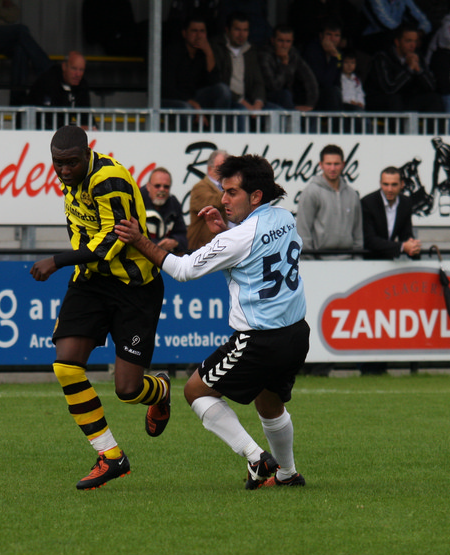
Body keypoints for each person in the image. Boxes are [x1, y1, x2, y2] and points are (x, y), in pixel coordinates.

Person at [114, 154, 309, 490]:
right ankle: (288, 474)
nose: (223, 199)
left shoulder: (237, 238)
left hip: (259, 339)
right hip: (296, 334)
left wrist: (139, 239)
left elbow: (182, 270)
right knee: (269, 402)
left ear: (255, 196)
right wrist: (228, 230)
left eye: (232, 192)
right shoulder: (284, 218)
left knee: (195, 391)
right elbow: (254, 244)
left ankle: (256, 457)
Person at [29, 125, 171, 491]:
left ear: (86, 153)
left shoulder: (109, 179)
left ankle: (160, 391)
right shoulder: (72, 179)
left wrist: (57, 261)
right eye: (58, 163)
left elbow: (112, 242)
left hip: (135, 287)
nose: (64, 170)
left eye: (71, 163)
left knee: (128, 389)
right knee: (65, 364)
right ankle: (111, 456)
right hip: (91, 281)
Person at [297, 144, 363, 259]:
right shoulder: (311, 192)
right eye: (328, 164)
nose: (332, 168)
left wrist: (357, 259)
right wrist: (310, 261)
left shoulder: (352, 195)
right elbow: (303, 231)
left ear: (343, 164)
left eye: (336, 164)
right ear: (321, 165)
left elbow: (357, 233)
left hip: (348, 261)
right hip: (319, 260)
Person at [365, 24, 444, 113]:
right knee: (395, 99)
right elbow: (389, 89)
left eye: (415, 41)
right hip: (382, 102)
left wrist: (419, 71)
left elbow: (432, 87)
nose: (412, 45)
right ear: (397, 42)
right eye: (408, 41)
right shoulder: (382, 58)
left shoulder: (417, 57)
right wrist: (409, 69)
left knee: (434, 98)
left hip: (405, 101)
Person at [160, 15, 231, 112]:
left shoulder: (204, 53)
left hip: (195, 98)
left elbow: (214, 82)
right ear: (184, 33)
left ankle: (217, 123)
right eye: (194, 31)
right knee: (186, 108)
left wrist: (209, 53)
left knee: (223, 90)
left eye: (202, 31)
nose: (198, 36)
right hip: (173, 99)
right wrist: (190, 102)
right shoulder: (172, 52)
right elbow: (167, 88)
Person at [362, 166, 421, 260]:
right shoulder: (368, 202)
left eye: (394, 185)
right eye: (386, 184)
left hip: (390, 260)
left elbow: (406, 233)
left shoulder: (405, 202)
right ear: (380, 184)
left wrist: (413, 245)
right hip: (369, 260)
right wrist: (402, 246)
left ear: (402, 184)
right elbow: (369, 240)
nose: (389, 189)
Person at [212, 11, 267, 112]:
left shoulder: (251, 50)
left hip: (248, 100)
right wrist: (243, 102)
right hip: (230, 101)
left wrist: (258, 103)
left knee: (275, 110)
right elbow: (218, 81)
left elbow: (258, 82)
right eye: (237, 29)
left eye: (245, 30)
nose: (241, 34)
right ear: (227, 30)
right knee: (242, 111)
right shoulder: (217, 47)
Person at [259, 24, 318, 111]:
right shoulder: (264, 55)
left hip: (288, 97)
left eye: (288, 41)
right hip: (266, 97)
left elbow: (309, 78)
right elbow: (273, 86)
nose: (284, 45)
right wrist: (284, 64)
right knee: (285, 95)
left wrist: (310, 104)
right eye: (280, 41)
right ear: (273, 40)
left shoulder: (293, 54)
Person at [27, 51, 92, 130]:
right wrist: (74, 127)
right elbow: (48, 117)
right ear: (64, 66)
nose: (78, 74)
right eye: (74, 68)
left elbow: (86, 114)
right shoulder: (48, 81)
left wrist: (91, 127)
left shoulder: (82, 85)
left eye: (81, 70)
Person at [141, 167, 189, 254]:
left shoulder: (174, 204)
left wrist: (175, 242)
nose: (162, 189)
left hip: (166, 257)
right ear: (148, 186)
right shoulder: (137, 203)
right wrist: (157, 246)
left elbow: (183, 236)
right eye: (157, 186)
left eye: (166, 187)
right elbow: (133, 236)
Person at [302, 18, 347, 111]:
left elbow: (337, 82)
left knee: (355, 110)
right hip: (311, 98)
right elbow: (324, 82)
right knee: (333, 92)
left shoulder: (339, 54)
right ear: (321, 36)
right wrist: (334, 57)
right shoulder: (312, 51)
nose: (333, 39)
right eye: (329, 34)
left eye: (337, 35)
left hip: (331, 98)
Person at [188, 149, 228, 250]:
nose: (224, 171)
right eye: (220, 167)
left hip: (222, 246)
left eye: (227, 167)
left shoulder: (225, 187)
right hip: (202, 249)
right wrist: (234, 190)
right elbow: (214, 202)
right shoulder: (199, 187)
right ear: (210, 169)